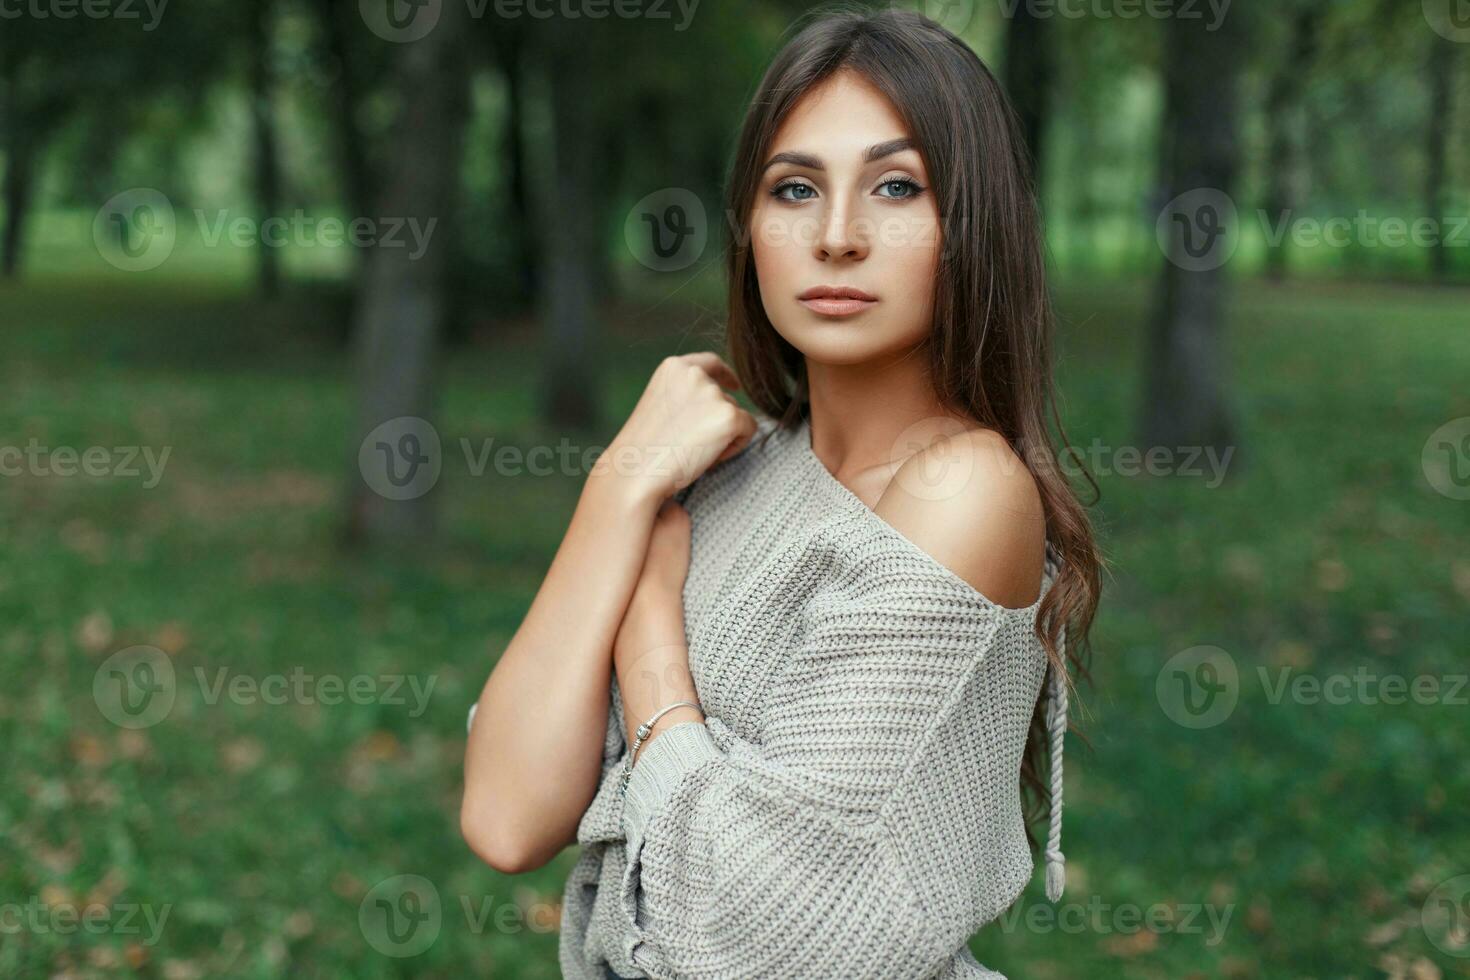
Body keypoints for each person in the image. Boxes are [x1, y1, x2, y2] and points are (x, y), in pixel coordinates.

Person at [462, 8, 1102, 978]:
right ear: (750, 227)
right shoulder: (735, 473)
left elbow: (767, 936)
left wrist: (650, 644)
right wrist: (617, 490)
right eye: (794, 188)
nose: (836, 236)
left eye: (896, 186)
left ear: (970, 225)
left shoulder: (959, 492)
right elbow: (508, 815)